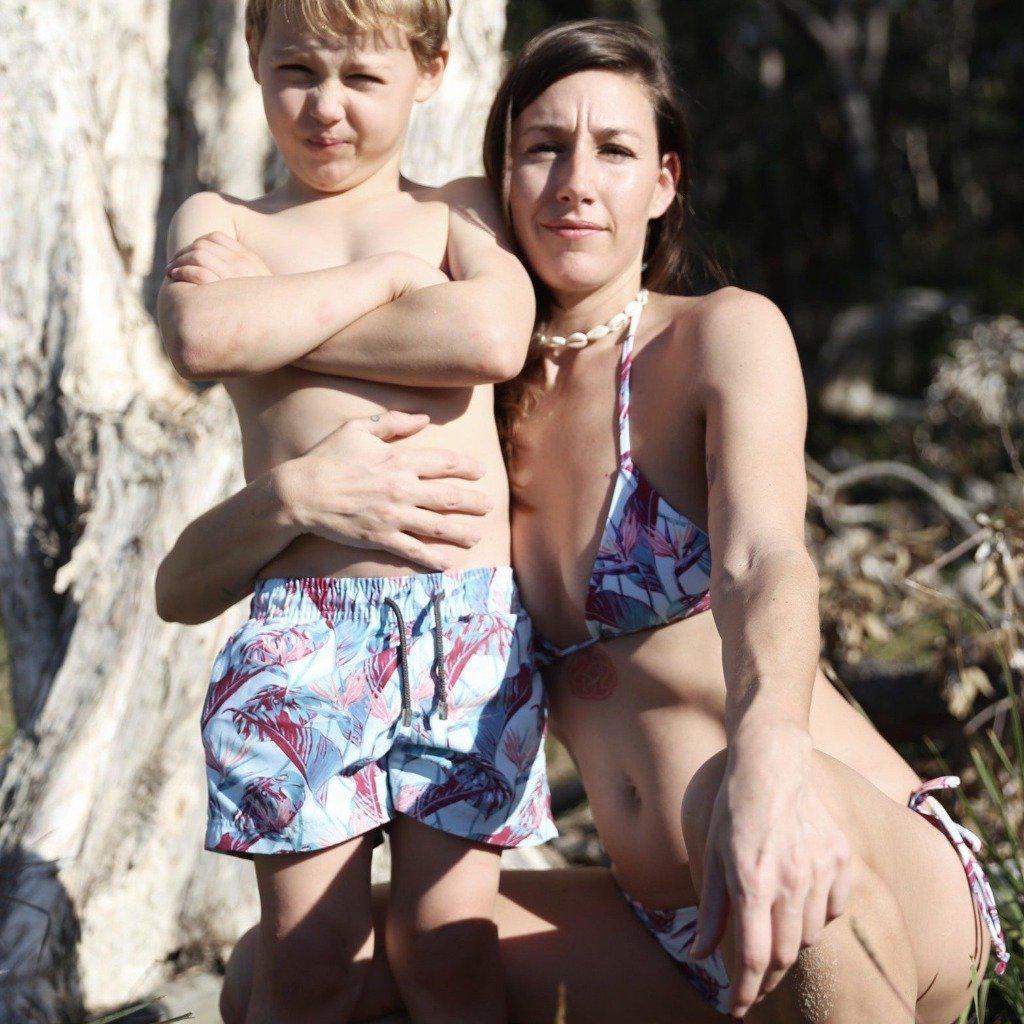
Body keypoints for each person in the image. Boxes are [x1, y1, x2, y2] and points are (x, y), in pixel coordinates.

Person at [157, 18, 1007, 1024]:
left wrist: (770, 756)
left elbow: (762, 561)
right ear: (501, 176)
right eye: (541, 147)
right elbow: (188, 557)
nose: (573, 181)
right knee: (277, 967)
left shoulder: (720, 335)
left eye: (613, 151)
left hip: (832, 862)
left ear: (662, 182)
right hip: (667, 922)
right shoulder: (478, 408)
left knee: (735, 798)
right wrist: (299, 477)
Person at [155, 1, 559, 1022]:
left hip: (468, 630)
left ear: (429, 71)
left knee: (447, 951)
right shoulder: (225, 221)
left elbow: (489, 336)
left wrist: (278, 314)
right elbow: (202, 332)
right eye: (296, 69)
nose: (325, 107)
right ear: (251, 54)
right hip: (306, 634)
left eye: (362, 79)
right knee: (307, 961)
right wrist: (384, 281)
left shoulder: (455, 212)